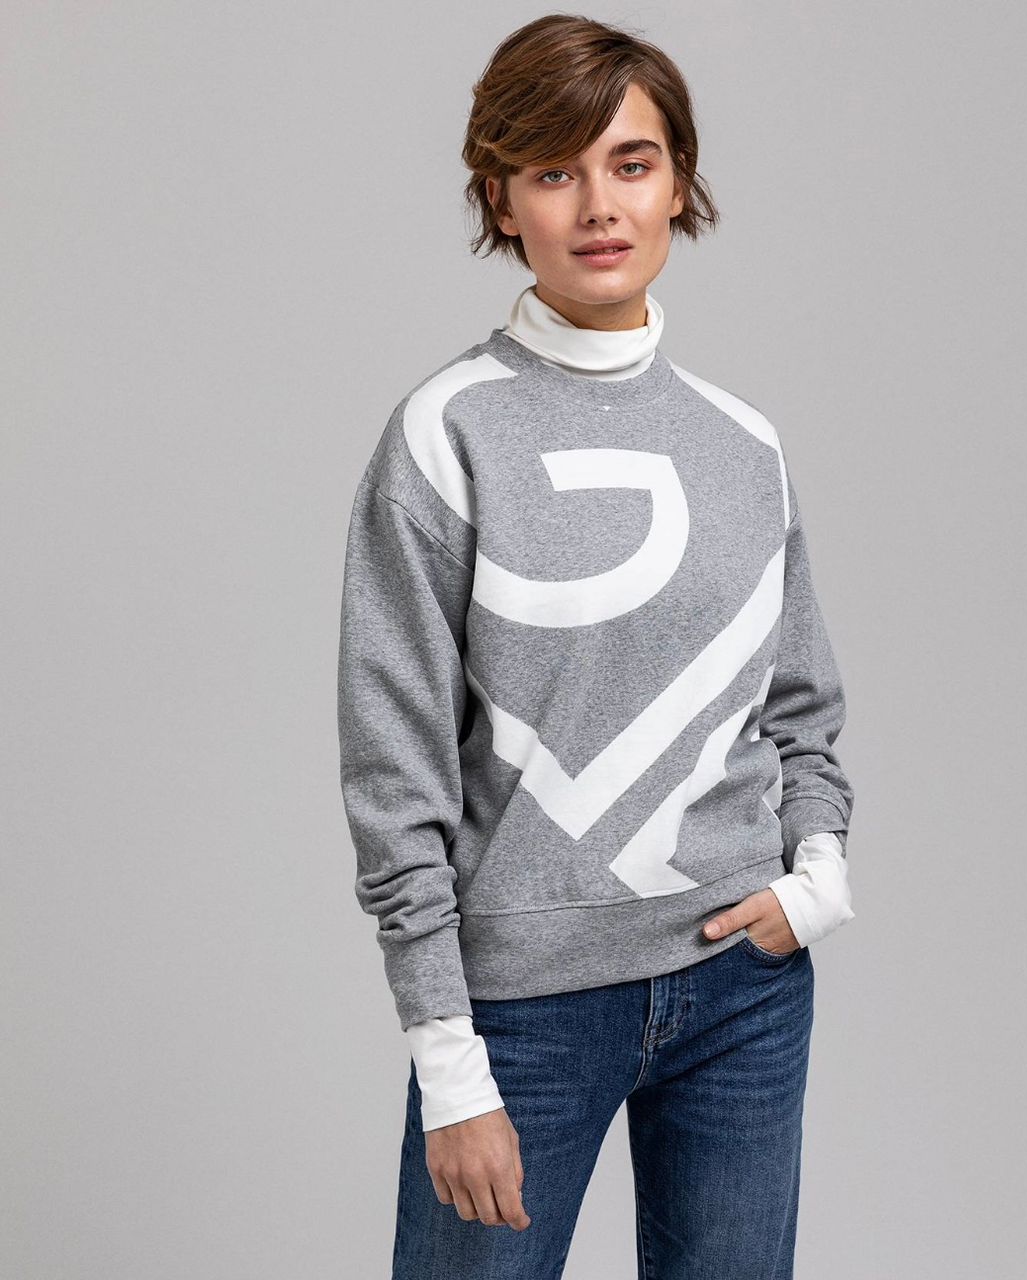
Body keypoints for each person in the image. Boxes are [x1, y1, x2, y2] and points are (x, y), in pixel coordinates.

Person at [337, 14, 856, 1278]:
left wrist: (817, 873)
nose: (597, 206)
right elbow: (394, 775)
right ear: (500, 199)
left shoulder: (742, 442)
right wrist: (448, 1058)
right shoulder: (445, 435)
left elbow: (799, 706)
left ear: (678, 181)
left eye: (630, 162)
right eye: (553, 171)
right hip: (521, 1013)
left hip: (742, 987)